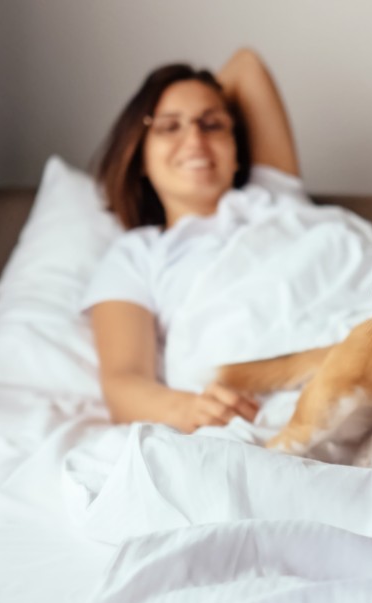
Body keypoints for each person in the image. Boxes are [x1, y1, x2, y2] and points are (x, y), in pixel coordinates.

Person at [83, 48, 303, 434]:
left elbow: (246, 64)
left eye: (212, 125)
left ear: (237, 151)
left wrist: (195, 96)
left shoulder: (274, 195)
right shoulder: (137, 254)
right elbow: (122, 382)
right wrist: (192, 409)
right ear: (141, 157)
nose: (195, 139)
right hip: (262, 401)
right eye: (169, 127)